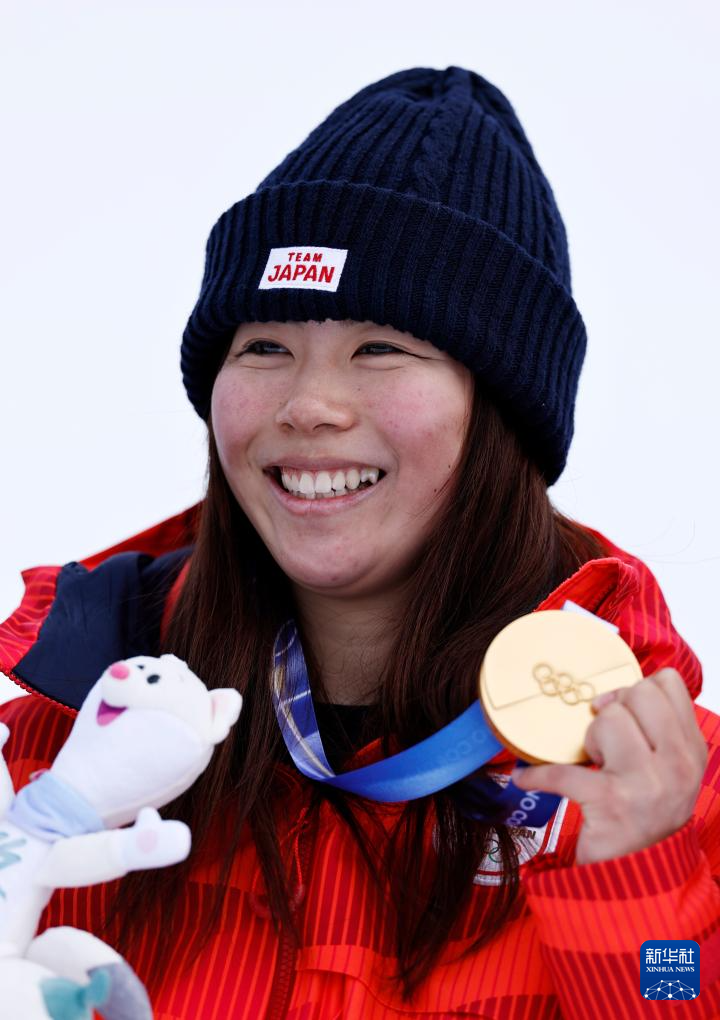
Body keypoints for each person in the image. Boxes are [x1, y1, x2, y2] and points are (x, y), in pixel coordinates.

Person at [1, 65, 719, 1019]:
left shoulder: (661, 780)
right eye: (264, 346)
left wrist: (640, 884)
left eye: (380, 347)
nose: (308, 404)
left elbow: (682, 994)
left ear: (501, 411)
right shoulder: (62, 755)